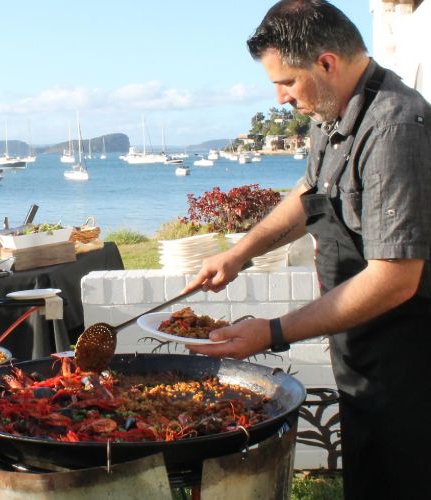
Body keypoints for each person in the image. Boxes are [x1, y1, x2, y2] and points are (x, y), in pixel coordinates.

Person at [183, 1, 431, 498]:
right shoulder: (331, 114)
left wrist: (272, 333)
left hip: (409, 357)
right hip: (361, 348)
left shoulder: (395, 126)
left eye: (286, 81)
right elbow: (309, 191)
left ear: (326, 63)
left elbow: (395, 278)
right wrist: (240, 252)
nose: (279, 98)